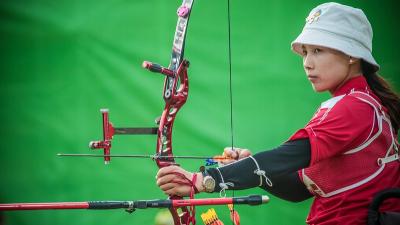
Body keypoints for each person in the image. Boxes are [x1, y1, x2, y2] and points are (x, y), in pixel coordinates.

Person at [156, 2, 400, 225]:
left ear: (352, 55)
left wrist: (203, 180)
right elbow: (298, 189)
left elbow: (289, 155)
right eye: (305, 52)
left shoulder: (355, 107)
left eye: (318, 51)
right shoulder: (362, 104)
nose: (307, 62)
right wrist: (245, 167)